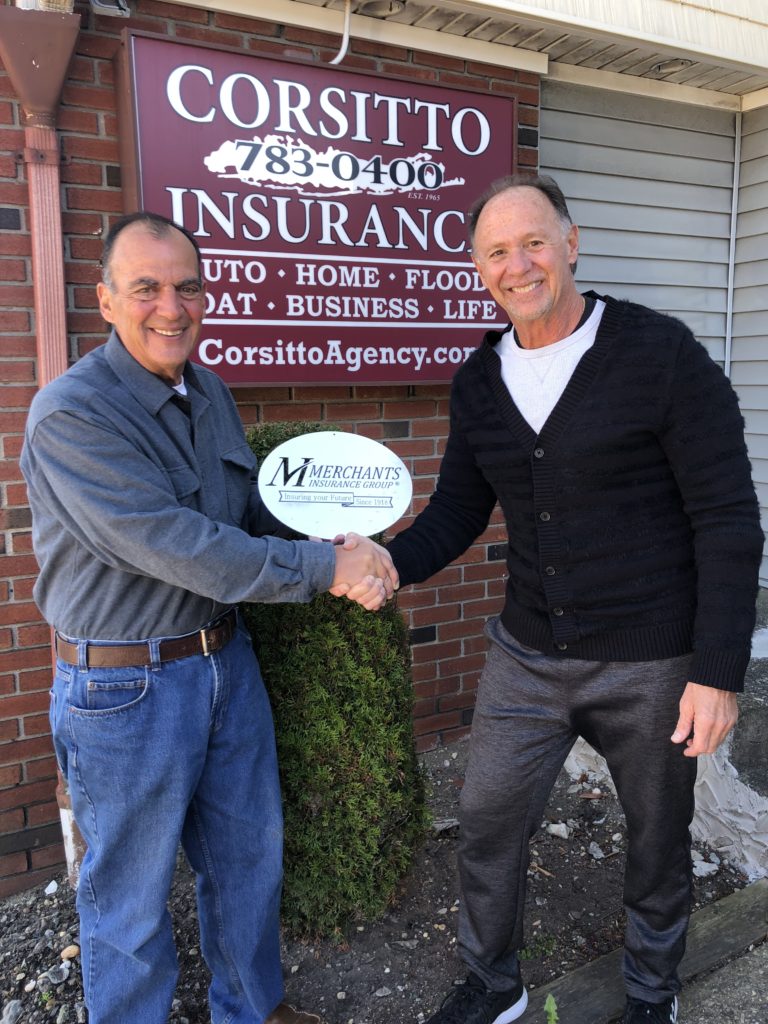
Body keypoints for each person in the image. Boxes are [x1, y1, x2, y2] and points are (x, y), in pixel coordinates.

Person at [385, 174, 763, 1024]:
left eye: (533, 242)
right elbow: (455, 510)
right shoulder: (480, 380)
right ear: (478, 267)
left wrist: (718, 669)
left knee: (657, 838)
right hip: (527, 656)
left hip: (652, 660)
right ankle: (495, 982)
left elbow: (729, 517)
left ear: (571, 242)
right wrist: (386, 564)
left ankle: (650, 994)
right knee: (486, 819)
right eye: (495, 251)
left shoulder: (660, 355)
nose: (517, 264)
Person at [20, 211, 399, 1024]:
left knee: (246, 863)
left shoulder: (210, 391)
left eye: (188, 286)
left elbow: (242, 516)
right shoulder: (71, 415)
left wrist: (339, 532)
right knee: (128, 898)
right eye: (147, 287)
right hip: (125, 692)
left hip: (226, 664)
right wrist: (325, 569)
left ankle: (253, 1010)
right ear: (106, 301)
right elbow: (174, 542)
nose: (171, 306)